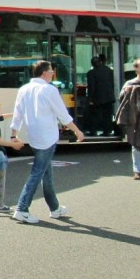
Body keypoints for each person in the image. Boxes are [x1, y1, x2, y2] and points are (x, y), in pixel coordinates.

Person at [9, 60, 84, 224]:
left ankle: (55, 208)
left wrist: (13, 135)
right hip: (48, 137)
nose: (53, 73)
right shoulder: (50, 90)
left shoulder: (24, 89)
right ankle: (22, 208)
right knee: (38, 173)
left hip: (33, 136)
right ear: (44, 72)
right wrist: (77, 131)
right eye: (51, 71)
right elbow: (63, 115)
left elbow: (17, 114)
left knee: (46, 172)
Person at [85, 55, 116, 136]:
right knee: (107, 115)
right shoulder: (109, 70)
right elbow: (112, 84)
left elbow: (92, 87)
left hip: (98, 98)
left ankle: (93, 131)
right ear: (100, 62)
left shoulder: (91, 73)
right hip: (109, 97)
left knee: (95, 115)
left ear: (92, 64)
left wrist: (90, 99)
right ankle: (107, 131)